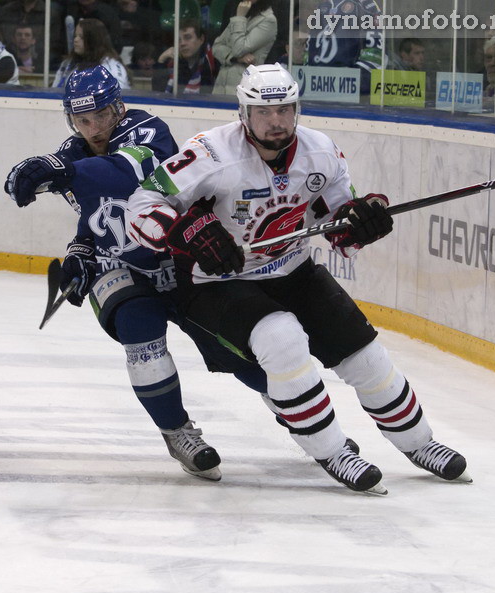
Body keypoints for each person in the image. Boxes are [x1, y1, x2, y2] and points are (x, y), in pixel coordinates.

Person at [126, 63, 471, 494]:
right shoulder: (212, 153)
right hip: (216, 283)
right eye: (264, 112)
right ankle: (332, 451)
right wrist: (187, 232)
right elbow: (141, 204)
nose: (276, 121)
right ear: (243, 113)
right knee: (282, 339)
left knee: (365, 354)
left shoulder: (321, 151)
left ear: (297, 108)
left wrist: (362, 221)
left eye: (285, 109)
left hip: (294, 270)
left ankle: (420, 443)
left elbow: (339, 227)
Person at [4, 65, 227, 481]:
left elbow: (129, 174)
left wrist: (62, 171)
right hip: (123, 267)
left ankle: (296, 413)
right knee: (140, 338)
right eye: (82, 120)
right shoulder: (71, 154)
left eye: (101, 116)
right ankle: (178, 431)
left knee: (236, 345)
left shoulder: (148, 130)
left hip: (179, 257)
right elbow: (95, 216)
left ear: (118, 107)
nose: (93, 128)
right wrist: (81, 251)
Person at [305, 0, 384, 94]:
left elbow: (374, 55)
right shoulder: (323, 5)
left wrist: (351, 79)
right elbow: (310, 47)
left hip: (348, 90)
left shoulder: (367, 5)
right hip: (318, 86)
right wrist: (308, 75)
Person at [212, 0, 277, 95]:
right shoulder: (245, 14)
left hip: (244, 90)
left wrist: (239, 17)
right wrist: (235, 58)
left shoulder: (268, 20)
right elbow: (216, 46)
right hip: (220, 88)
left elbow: (239, 50)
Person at [52, 18, 130, 89]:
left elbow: (116, 97)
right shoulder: (68, 63)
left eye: (81, 37)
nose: (75, 40)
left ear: (94, 40)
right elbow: (56, 91)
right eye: (75, 36)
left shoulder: (111, 68)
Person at [152, 18, 219, 94]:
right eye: (179, 40)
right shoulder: (172, 61)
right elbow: (157, 95)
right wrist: (161, 59)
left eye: (188, 37)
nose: (182, 43)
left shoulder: (212, 61)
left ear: (201, 39)